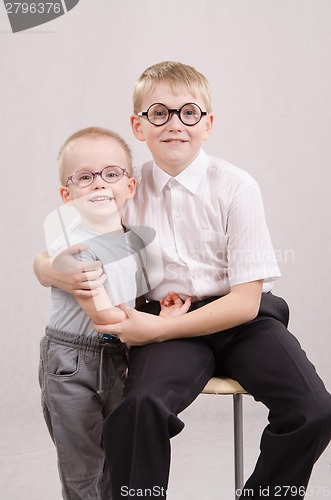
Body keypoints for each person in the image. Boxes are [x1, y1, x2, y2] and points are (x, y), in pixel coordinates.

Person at [34, 62, 331, 500]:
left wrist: (156, 329)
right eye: (159, 113)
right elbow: (70, 242)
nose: (175, 124)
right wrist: (46, 269)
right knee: (138, 408)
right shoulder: (128, 189)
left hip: (240, 321)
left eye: (188, 112)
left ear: (207, 124)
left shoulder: (236, 187)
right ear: (139, 125)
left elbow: (246, 302)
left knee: (314, 410)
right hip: (169, 321)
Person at [38, 126, 190, 500]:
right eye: (85, 177)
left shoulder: (135, 241)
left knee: (119, 459)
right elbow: (107, 316)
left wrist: (158, 305)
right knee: (84, 467)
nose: (99, 185)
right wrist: (164, 323)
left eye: (111, 173)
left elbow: (136, 295)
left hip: (120, 357)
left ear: (130, 187)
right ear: (67, 195)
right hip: (72, 361)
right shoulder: (72, 247)